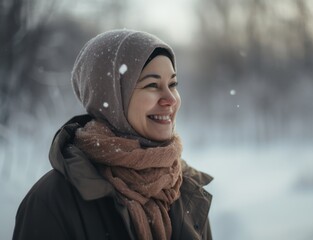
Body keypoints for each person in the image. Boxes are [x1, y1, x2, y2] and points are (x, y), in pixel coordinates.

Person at [12, 29, 213, 240]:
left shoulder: (186, 187)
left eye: (172, 84)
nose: (170, 99)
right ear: (111, 97)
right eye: (152, 85)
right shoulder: (53, 203)